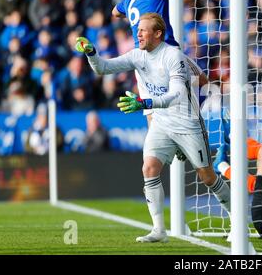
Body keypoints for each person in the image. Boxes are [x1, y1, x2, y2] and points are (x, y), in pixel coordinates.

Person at [75, 13, 231, 243]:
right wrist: (92, 53)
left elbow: (177, 94)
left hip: (186, 122)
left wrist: (145, 103)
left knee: (206, 176)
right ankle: (159, 229)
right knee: (149, 168)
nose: (137, 33)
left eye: (143, 30)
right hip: (160, 122)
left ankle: (235, 218)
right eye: (137, 30)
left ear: (158, 33)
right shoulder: (137, 55)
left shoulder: (173, 56)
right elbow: (103, 69)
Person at [112, 0, 214, 160]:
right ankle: (184, 137)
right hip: (164, 52)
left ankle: (157, 154)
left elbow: (115, 12)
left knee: (151, 111)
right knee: (203, 84)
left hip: (140, 60)